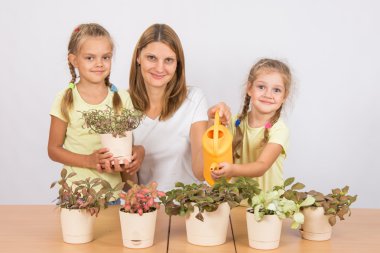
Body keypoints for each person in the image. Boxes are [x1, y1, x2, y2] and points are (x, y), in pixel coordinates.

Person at [128, 24, 230, 191]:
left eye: (168, 60)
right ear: (138, 57)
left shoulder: (194, 99)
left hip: (187, 206)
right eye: (151, 58)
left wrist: (214, 129)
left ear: (178, 64)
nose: (160, 68)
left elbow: (200, 172)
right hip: (146, 209)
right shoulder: (122, 103)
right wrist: (128, 162)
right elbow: (127, 184)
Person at [48, 23, 144, 195]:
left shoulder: (122, 98)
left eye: (106, 57)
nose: (99, 64)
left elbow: (124, 148)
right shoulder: (65, 99)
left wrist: (135, 155)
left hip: (112, 193)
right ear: (74, 60)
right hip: (76, 194)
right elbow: (53, 149)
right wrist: (89, 161)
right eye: (90, 58)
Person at [212, 58, 292, 192]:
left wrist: (232, 170)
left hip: (267, 206)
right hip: (236, 202)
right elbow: (213, 147)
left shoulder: (279, 129)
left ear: (284, 96)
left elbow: (261, 166)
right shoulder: (234, 122)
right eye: (261, 87)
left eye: (276, 90)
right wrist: (213, 116)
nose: (268, 94)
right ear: (249, 88)